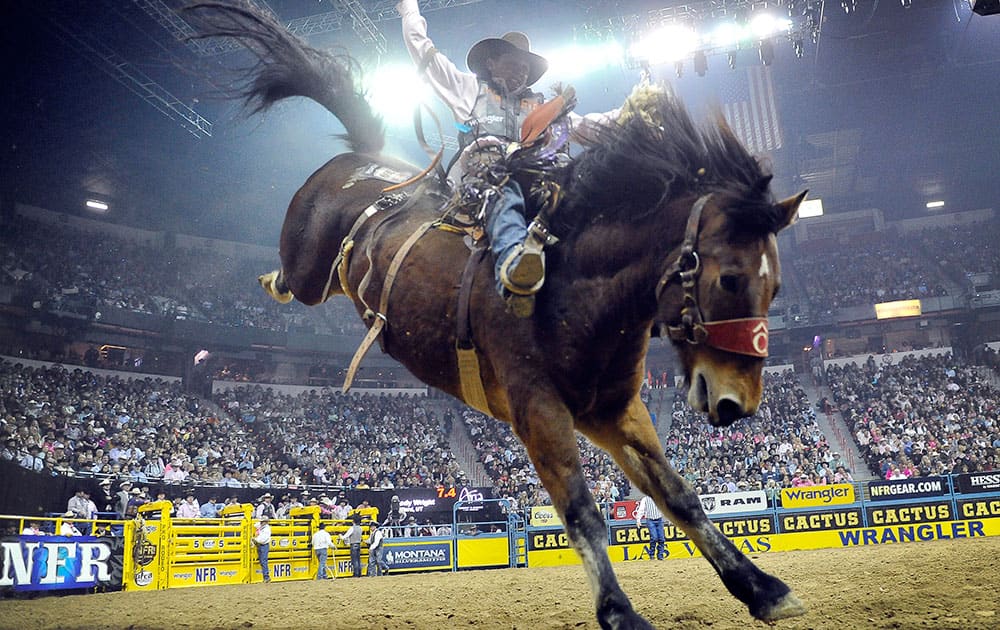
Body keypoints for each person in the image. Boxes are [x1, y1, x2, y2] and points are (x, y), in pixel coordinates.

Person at [397, 0, 618, 317]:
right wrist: (409, 12)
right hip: (484, 182)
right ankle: (514, 266)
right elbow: (424, 53)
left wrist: (633, 114)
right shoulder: (468, 88)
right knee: (504, 187)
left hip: (539, 183)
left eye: (526, 67)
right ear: (491, 63)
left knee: (582, 199)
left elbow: (584, 127)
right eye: (515, 63)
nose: (523, 71)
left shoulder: (540, 107)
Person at [634, 494, 666, 561]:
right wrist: (638, 520)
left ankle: (660, 555)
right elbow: (641, 510)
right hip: (650, 519)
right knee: (654, 538)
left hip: (659, 519)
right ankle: (652, 554)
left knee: (661, 539)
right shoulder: (645, 499)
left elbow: (665, 509)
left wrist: (668, 519)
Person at [254, 516, 272, 582]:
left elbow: (263, 539)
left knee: (263, 561)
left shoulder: (266, 529)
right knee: (262, 561)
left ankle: (266, 577)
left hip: (264, 545)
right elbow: (255, 525)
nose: (261, 522)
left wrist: (256, 540)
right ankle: (266, 576)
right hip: (261, 545)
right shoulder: (261, 527)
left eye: (263, 521)